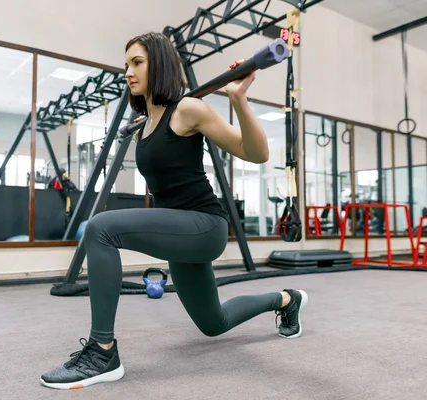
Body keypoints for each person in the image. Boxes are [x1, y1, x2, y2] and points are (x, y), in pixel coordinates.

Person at [40, 32, 309, 390]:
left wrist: (239, 98)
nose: (128, 72)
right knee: (214, 323)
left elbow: (256, 154)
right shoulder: (145, 125)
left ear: (160, 64)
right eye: (126, 65)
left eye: (137, 63)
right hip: (179, 233)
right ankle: (287, 299)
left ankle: (102, 352)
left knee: (99, 228)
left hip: (204, 225)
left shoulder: (188, 109)